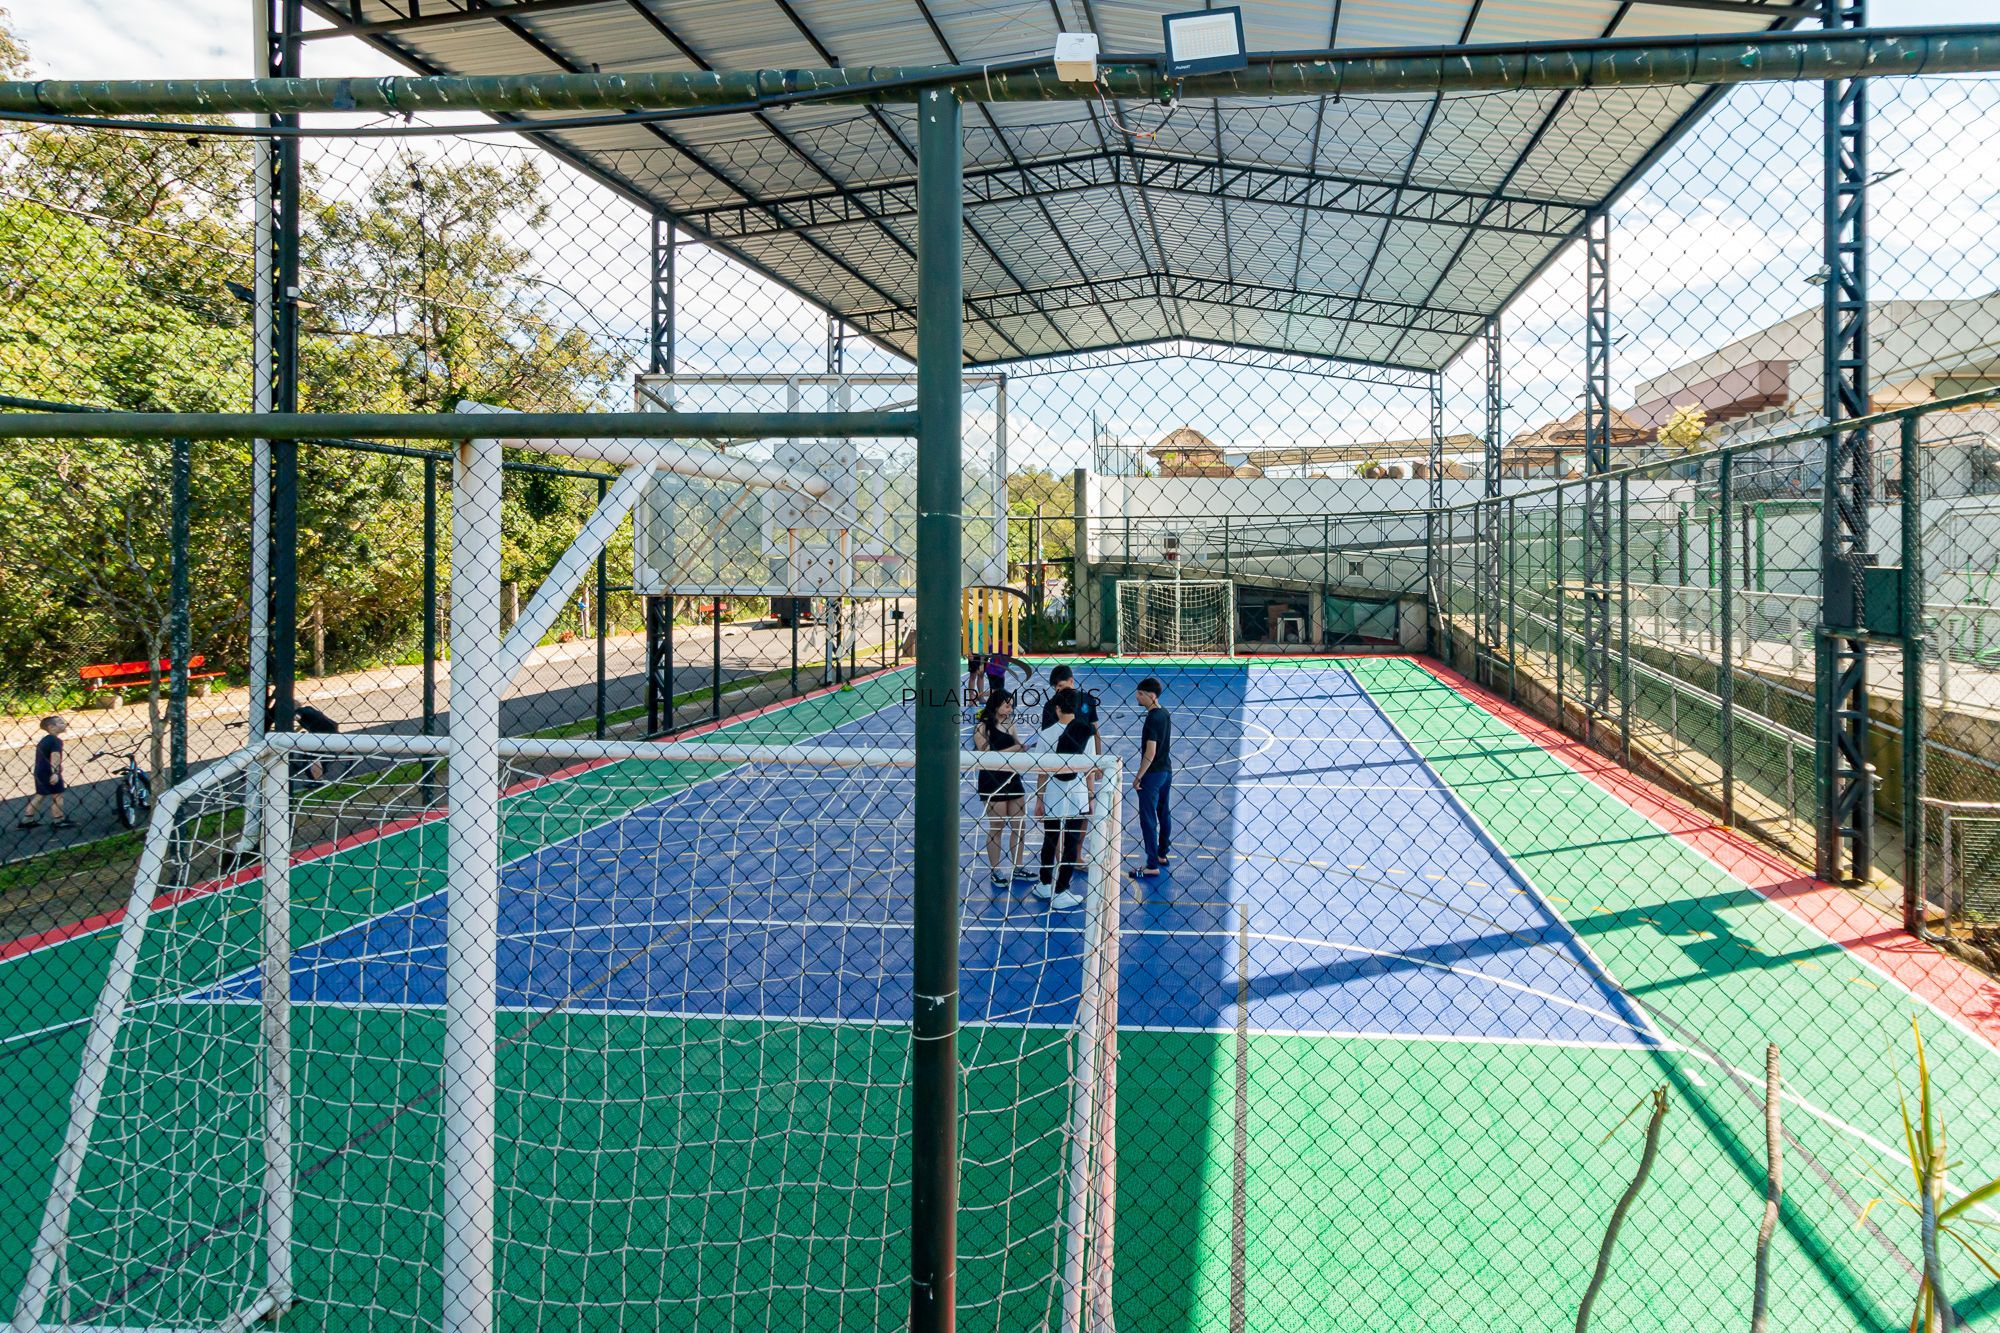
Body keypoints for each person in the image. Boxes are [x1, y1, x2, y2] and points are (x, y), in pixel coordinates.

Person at [1034, 697, 1096, 910]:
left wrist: (1039, 799)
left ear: (1057, 708)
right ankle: (1061, 891)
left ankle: (1044, 884)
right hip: (1077, 794)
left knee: (1050, 839)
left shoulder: (1046, 734)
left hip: (1052, 793)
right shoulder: (1085, 732)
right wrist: (1091, 796)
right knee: (1071, 842)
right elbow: (1090, 769)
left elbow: (1040, 771)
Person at [972, 690, 1035, 890]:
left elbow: (1017, 745)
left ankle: (1017, 868)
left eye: (1011, 705)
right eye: (1007, 704)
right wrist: (1015, 750)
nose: (1010, 708)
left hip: (1012, 778)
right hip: (992, 781)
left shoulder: (1010, 724)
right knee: (996, 827)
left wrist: (1022, 748)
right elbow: (987, 756)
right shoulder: (982, 727)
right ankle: (996, 870)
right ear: (996, 705)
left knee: (1019, 826)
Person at [1131, 677, 1172, 878]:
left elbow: (1150, 751)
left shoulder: (1153, 718)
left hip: (1153, 774)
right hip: (1166, 771)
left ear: (1151, 695)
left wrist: (1139, 776)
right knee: (1164, 812)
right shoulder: (1164, 714)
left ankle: (1152, 863)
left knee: (1148, 818)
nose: (1137, 696)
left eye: (1140, 693)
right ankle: (1162, 853)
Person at [18, 715, 73, 830]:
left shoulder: (45, 740)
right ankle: (58, 820)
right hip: (49, 771)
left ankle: (27, 819)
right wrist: (55, 773)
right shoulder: (55, 741)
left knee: (41, 795)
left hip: (39, 771)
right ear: (51, 727)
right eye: (60, 722)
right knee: (57, 795)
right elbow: (55, 756)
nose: (64, 724)